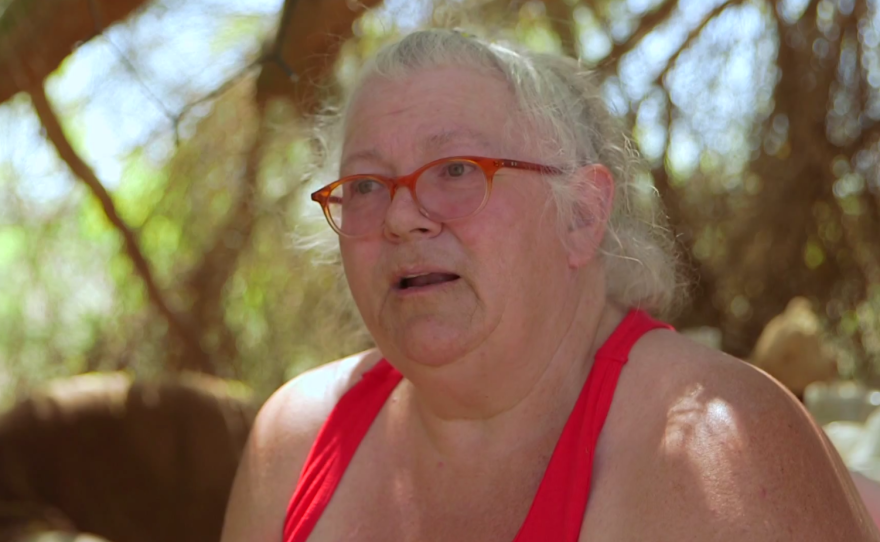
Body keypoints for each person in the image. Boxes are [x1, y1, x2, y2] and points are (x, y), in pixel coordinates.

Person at [220, 28, 879, 541]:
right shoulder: (294, 441)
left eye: (456, 169)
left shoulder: (719, 449)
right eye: (366, 185)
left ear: (581, 215)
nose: (399, 216)